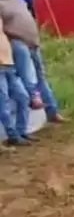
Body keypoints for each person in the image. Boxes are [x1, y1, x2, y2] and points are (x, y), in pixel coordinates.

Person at [0, 0, 64, 124]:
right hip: (17, 41)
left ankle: (52, 111)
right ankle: (33, 102)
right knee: (28, 76)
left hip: (32, 41)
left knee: (41, 76)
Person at [0, 16, 31, 146]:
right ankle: (13, 135)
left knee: (23, 97)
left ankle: (21, 131)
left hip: (9, 64)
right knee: (4, 103)